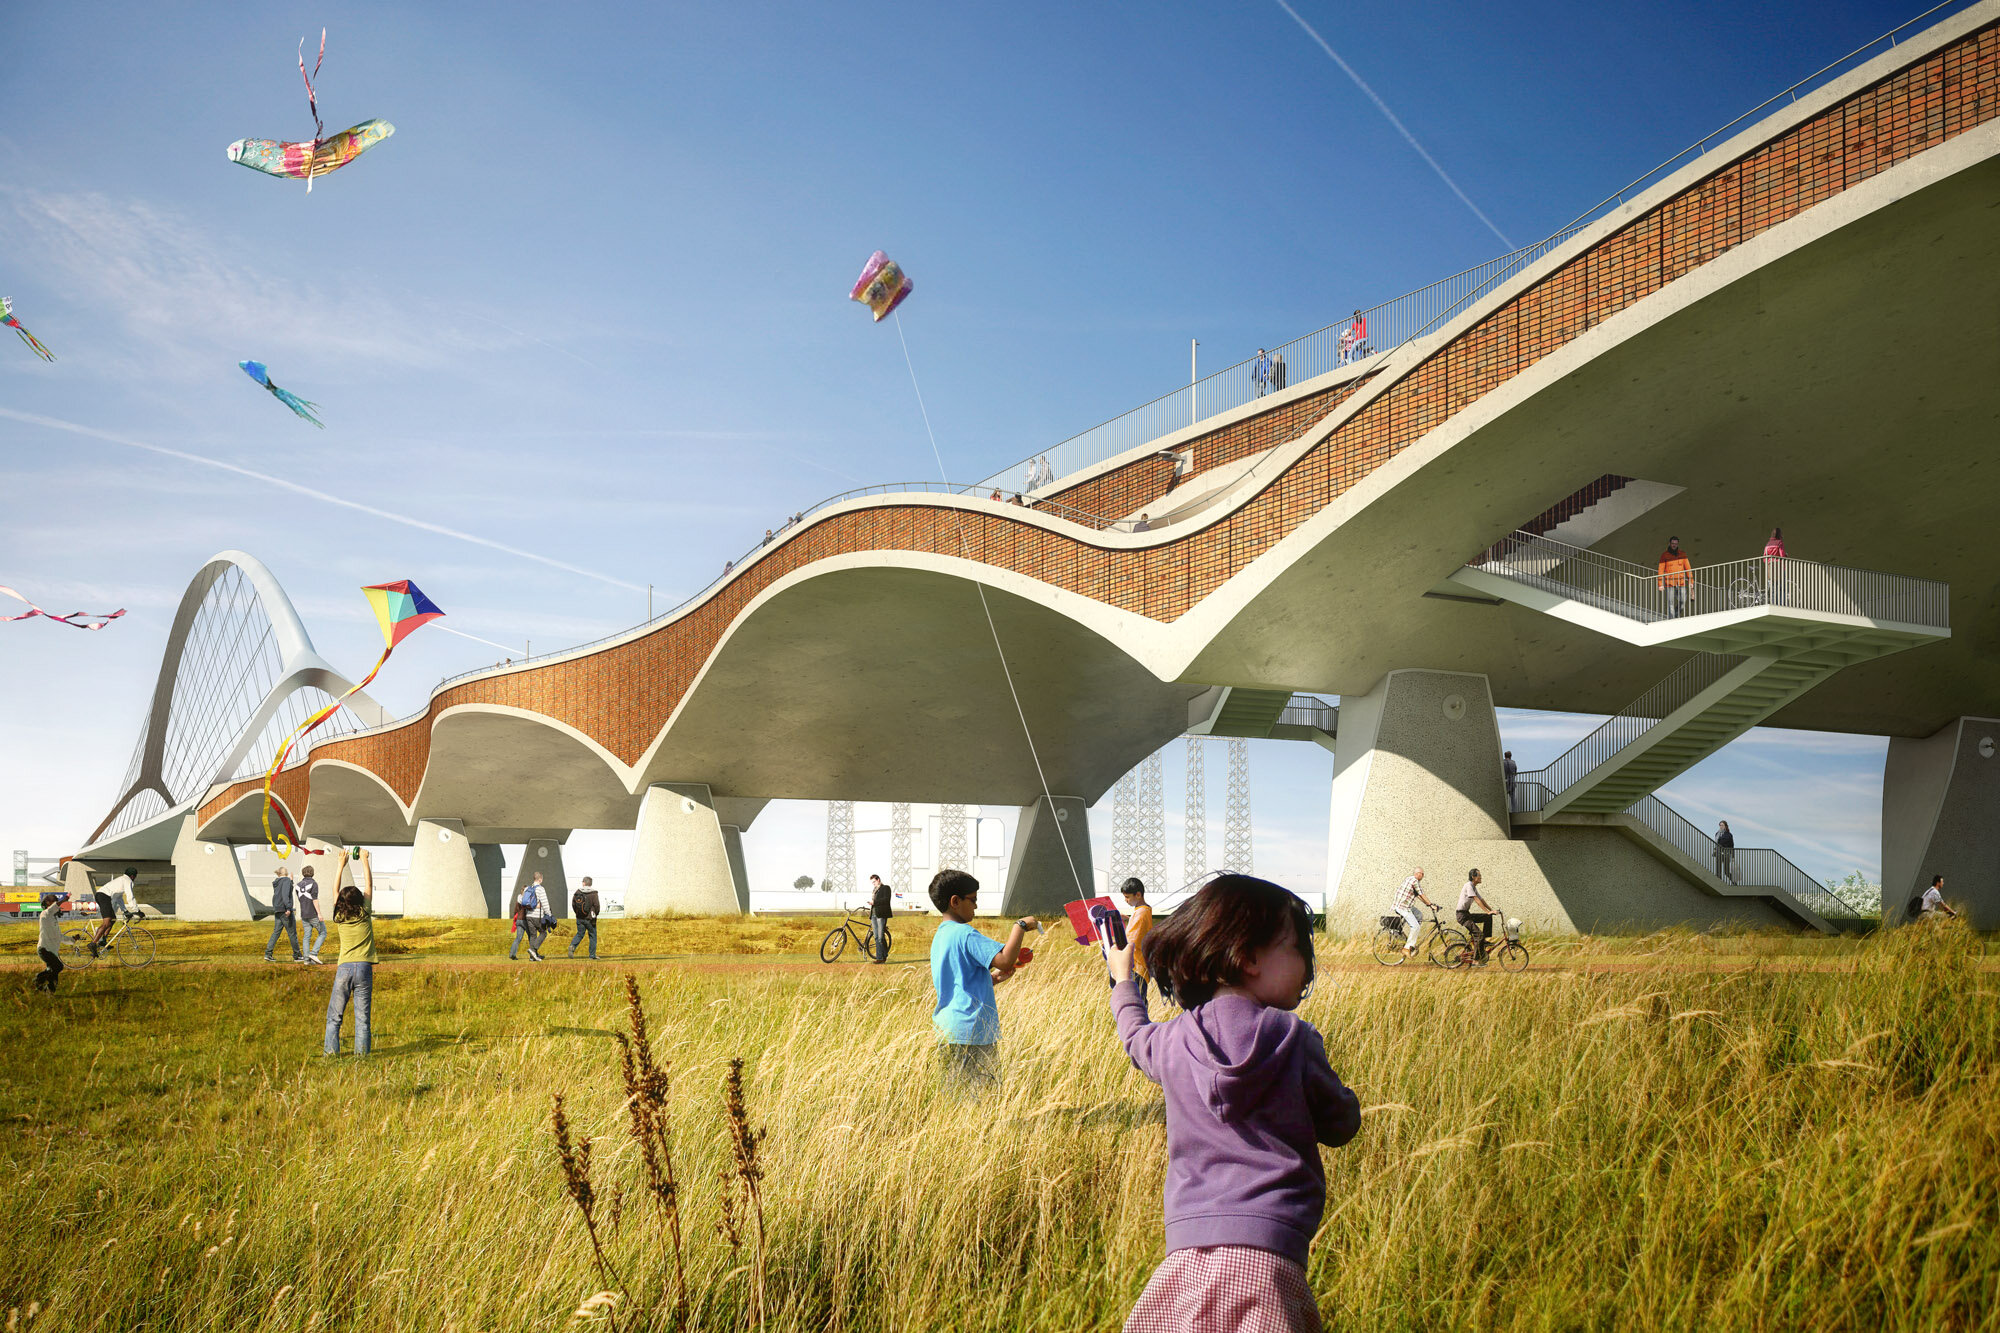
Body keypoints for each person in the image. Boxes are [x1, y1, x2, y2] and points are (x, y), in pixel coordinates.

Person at [1106, 874, 1359, 1333]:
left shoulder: (1171, 1040)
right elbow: (1341, 1124)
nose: (1307, 963)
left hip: (1183, 1263)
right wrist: (1345, 1099)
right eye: (1297, 949)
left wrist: (1123, 980)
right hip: (1272, 1264)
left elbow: (1132, 1035)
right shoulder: (1295, 1038)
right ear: (1248, 959)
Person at [928, 869, 1037, 1087]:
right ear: (955, 901)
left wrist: (993, 979)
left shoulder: (941, 935)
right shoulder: (965, 933)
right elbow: (1006, 959)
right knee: (984, 1097)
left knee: (956, 1095)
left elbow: (958, 980)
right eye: (973, 900)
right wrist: (1021, 926)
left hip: (948, 1029)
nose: (976, 906)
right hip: (973, 1029)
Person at [325, 850, 375, 1056]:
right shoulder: (365, 912)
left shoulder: (339, 915)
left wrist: (341, 864)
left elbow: (334, 890)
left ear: (341, 903)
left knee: (335, 1016)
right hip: (364, 967)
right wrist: (364, 860)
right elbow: (369, 886)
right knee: (362, 1018)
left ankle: (330, 1054)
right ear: (360, 901)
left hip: (344, 968)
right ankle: (361, 1057)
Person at [90, 866, 138, 955]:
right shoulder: (128, 881)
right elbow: (130, 895)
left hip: (102, 895)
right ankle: (93, 943)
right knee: (107, 921)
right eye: (135, 877)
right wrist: (136, 910)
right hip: (104, 896)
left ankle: (103, 941)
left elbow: (119, 898)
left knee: (113, 919)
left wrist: (125, 911)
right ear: (132, 876)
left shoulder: (122, 880)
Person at [1121, 877, 1154, 1005]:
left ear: (1138, 894)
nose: (1126, 900)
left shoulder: (1141, 914)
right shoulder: (1142, 911)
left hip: (1136, 967)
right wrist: (1128, 919)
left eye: (1128, 897)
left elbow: (1130, 941)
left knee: (1137, 1005)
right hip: (1139, 967)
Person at [1392, 867, 1435, 957]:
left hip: (1404, 906)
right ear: (1417, 873)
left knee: (1419, 915)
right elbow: (1421, 894)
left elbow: (1419, 896)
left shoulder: (1409, 879)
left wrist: (1428, 904)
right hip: (1403, 907)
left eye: (1423, 874)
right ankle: (1407, 948)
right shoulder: (1415, 881)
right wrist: (1431, 904)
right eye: (1421, 874)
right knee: (1415, 927)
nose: (1422, 876)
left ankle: (1411, 942)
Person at [264, 865, 301, 964]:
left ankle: (268, 954)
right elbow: (285, 895)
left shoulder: (278, 882)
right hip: (285, 910)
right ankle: (297, 955)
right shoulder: (286, 880)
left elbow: (285, 892)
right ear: (285, 873)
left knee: (276, 933)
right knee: (292, 933)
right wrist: (288, 908)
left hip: (278, 910)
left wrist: (291, 882)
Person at [1457, 869, 1495, 963]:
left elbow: (1481, 899)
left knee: (1488, 917)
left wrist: (1491, 911)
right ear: (1473, 877)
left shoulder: (1473, 887)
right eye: (1479, 875)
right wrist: (1486, 911)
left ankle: (1483, 941)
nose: (1481, 877)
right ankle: (1476, 960)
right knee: (1479, 934)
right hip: (1462, 916)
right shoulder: (1468, 885)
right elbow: (1476, 900)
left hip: (1466, 914)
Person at [511, 874, 552, 962]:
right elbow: (545, 903)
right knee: (543, 933)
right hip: (537, 916)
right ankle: (533, 950)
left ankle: (532, 957)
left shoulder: (527, 889)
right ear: (540, 879)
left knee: (533, 935)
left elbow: (521, 901)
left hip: (528, 916)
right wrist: (549, 914)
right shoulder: (541, 889)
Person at [34, 892, 68, 993]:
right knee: (58, 967)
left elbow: (60, 937)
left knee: (53, 973)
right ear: (48, 902)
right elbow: (53, 907)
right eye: (53, 899)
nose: (56, 900)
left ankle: (47, 991)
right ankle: (38, 979)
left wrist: (73, 939)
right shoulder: (45, 913)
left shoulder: (52, 919)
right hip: (44, 949)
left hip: (51, 952)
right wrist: (64, 899)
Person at [297, 865, 327, 964]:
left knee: (306, 936)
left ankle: (306, 960)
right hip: (313, 914)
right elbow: (314, 900)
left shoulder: (297, 885)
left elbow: (301, 899)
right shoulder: (314, 884)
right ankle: (313, 954)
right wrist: (319, 914)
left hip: (304, 914)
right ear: (312, 873)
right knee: (323, 933)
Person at [1657, 536, 1692, 618]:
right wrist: (1660, 584)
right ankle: (1672, 619)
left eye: (1676, 544)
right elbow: (1660, 570)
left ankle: (1676, 615)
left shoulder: (1682, 554)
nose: (1674, 545)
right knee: (1671, 603)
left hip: (1681, 582)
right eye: (1672, 543)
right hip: (1670, 583)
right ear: (1669, 543)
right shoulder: (1664, 555)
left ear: (1678, 544)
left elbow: (1688, 568)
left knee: (1683, 601)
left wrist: (1691, 581)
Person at [567, 876, 601, 959]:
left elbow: (573, 905)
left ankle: (572, 946)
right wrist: (595, 914)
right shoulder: (594, 893)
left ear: (584, 883)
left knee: (580, 934)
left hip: (580, 918)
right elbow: (597, 906)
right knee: (593, 935)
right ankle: (592, 955)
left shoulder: (577, 892)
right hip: (590, 919)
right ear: (590, 884)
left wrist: (578, 914)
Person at [868, 873, 893, 964]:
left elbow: (886, 900)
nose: (873, 883)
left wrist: (874, 902)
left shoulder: (886, 888)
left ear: (878, 879)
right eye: (872, 882)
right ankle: (880, 958)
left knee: (880, 937)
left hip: (881, 915)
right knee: (876, 937)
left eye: (874, 881)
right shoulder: (875, 890)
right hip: (874, 915)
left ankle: (884, 955)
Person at [1763, 527, 1787, 606]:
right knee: (1781, 587)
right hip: (1778, 567)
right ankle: (1781, 604)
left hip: (1770, 568)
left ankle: (1773, 603)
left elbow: (1764, 558)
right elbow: (1782, 555)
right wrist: (1786, 556)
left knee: (1773, 588)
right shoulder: (1779, 543)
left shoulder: (1768, 544)